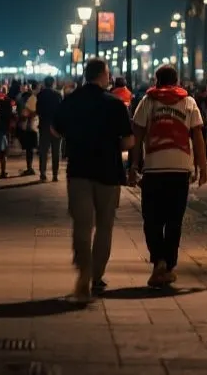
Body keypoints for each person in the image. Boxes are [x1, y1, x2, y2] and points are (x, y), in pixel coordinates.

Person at [52, 59, 134, 302]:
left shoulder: (71, 100)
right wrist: (112, 146)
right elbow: (129, 141)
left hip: (78, 170)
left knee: (82, 225)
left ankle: (83, 272)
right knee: (104, 226)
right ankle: (97, 274)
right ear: (102, 75)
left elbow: (55, 131)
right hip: (108, 171)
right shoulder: (115, 104)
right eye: (108, 73)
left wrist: (75, 136)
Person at [129, 65, 207, 288]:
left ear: (157, 81)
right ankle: (169, 265)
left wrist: (134, 166)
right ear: (177, 81)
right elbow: (198, 137)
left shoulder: (148, 102)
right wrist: (202, 168)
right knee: (174, 219)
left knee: (152, 219)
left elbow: (137, 135)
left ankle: (159, 262)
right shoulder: (189, 102)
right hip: (180, 170)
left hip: (153, 170)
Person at [36, 75, 64, 182]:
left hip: (44, 126)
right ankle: (55, 175)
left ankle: (43, 173)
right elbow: (61, 111)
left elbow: (38, 110)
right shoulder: (58, 95)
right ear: (53, 83)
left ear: (44, 83)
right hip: (56, 127)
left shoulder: (40, 95)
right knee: (56, 151)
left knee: (43, 151)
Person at [17, 80, 40, 175]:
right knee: (30, 149)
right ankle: (31, 168)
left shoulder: (28, 98)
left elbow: (24, 113)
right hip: (32, 127)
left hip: (29, 127)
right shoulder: (33, 97)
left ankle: (30, 168)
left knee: (29, 149)